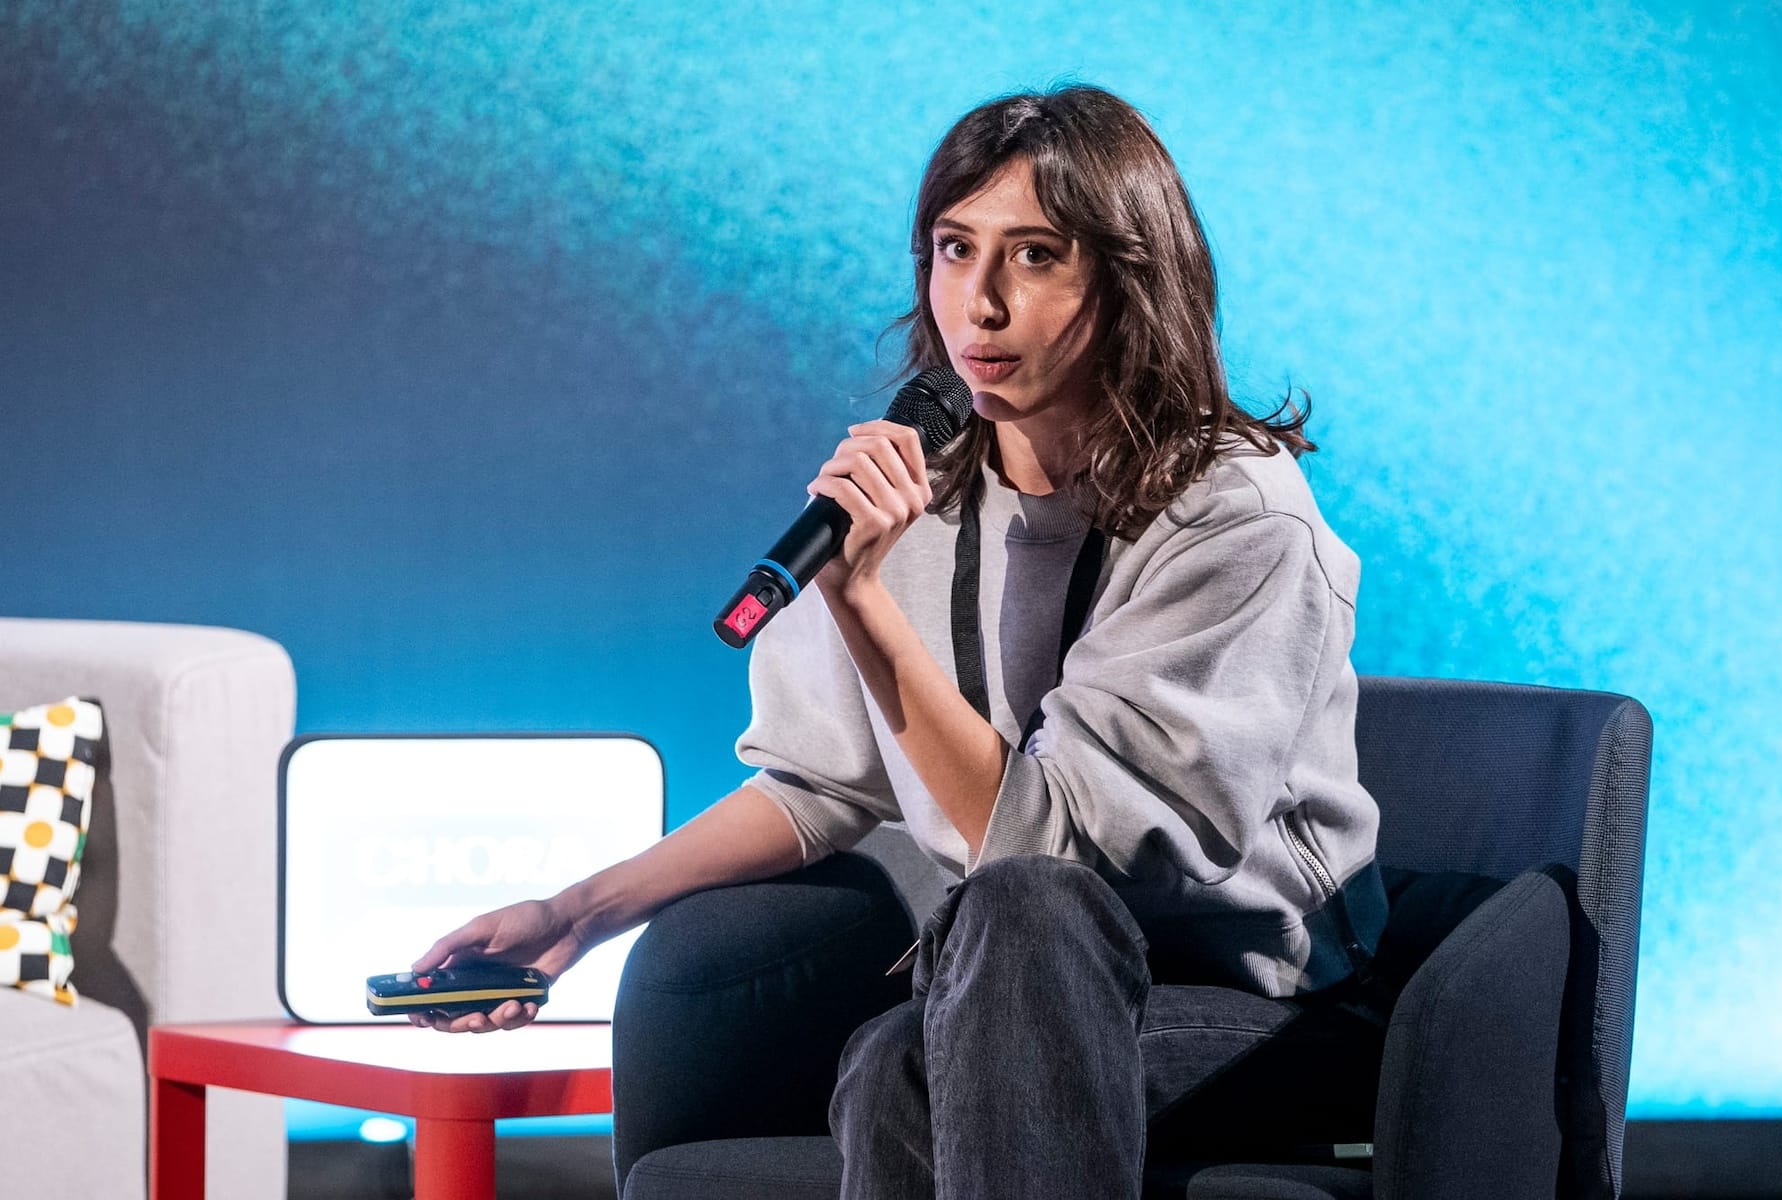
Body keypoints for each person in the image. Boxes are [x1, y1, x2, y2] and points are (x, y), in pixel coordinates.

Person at [412, 84, 1390, 1197]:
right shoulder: (923, 495)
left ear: (1126, 284)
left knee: (954, 998)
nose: (980, 304)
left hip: (1272, 1000)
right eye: (954, 249)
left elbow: (1057, 858)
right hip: (1009, 983)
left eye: (1035, 256)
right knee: (899, 1055)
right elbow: (819, 782)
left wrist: (863, 606)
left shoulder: (1236, 519)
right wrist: (574, 914)